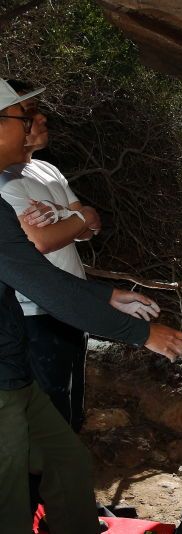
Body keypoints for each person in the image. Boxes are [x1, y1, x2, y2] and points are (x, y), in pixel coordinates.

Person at [0, 78, 182, 534]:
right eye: (20, 118)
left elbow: (39, 273)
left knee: (65, 458)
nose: (31, 125)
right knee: (8, 501)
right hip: (2, 378)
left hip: (12, 370)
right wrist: (142, 333)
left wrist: (106, 294)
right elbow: (43, 284)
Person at [0, 79, 111, 432]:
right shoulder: (5, 181)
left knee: (70, 395)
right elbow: (41, 242)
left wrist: (76, 220)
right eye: (28, 114)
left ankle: (64, 465)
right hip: (36, 309)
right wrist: (79, 219)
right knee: (47, 406)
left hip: (70, 300)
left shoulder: (48, 170)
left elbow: (91, 226)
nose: (42, 119)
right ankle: (44, 479)